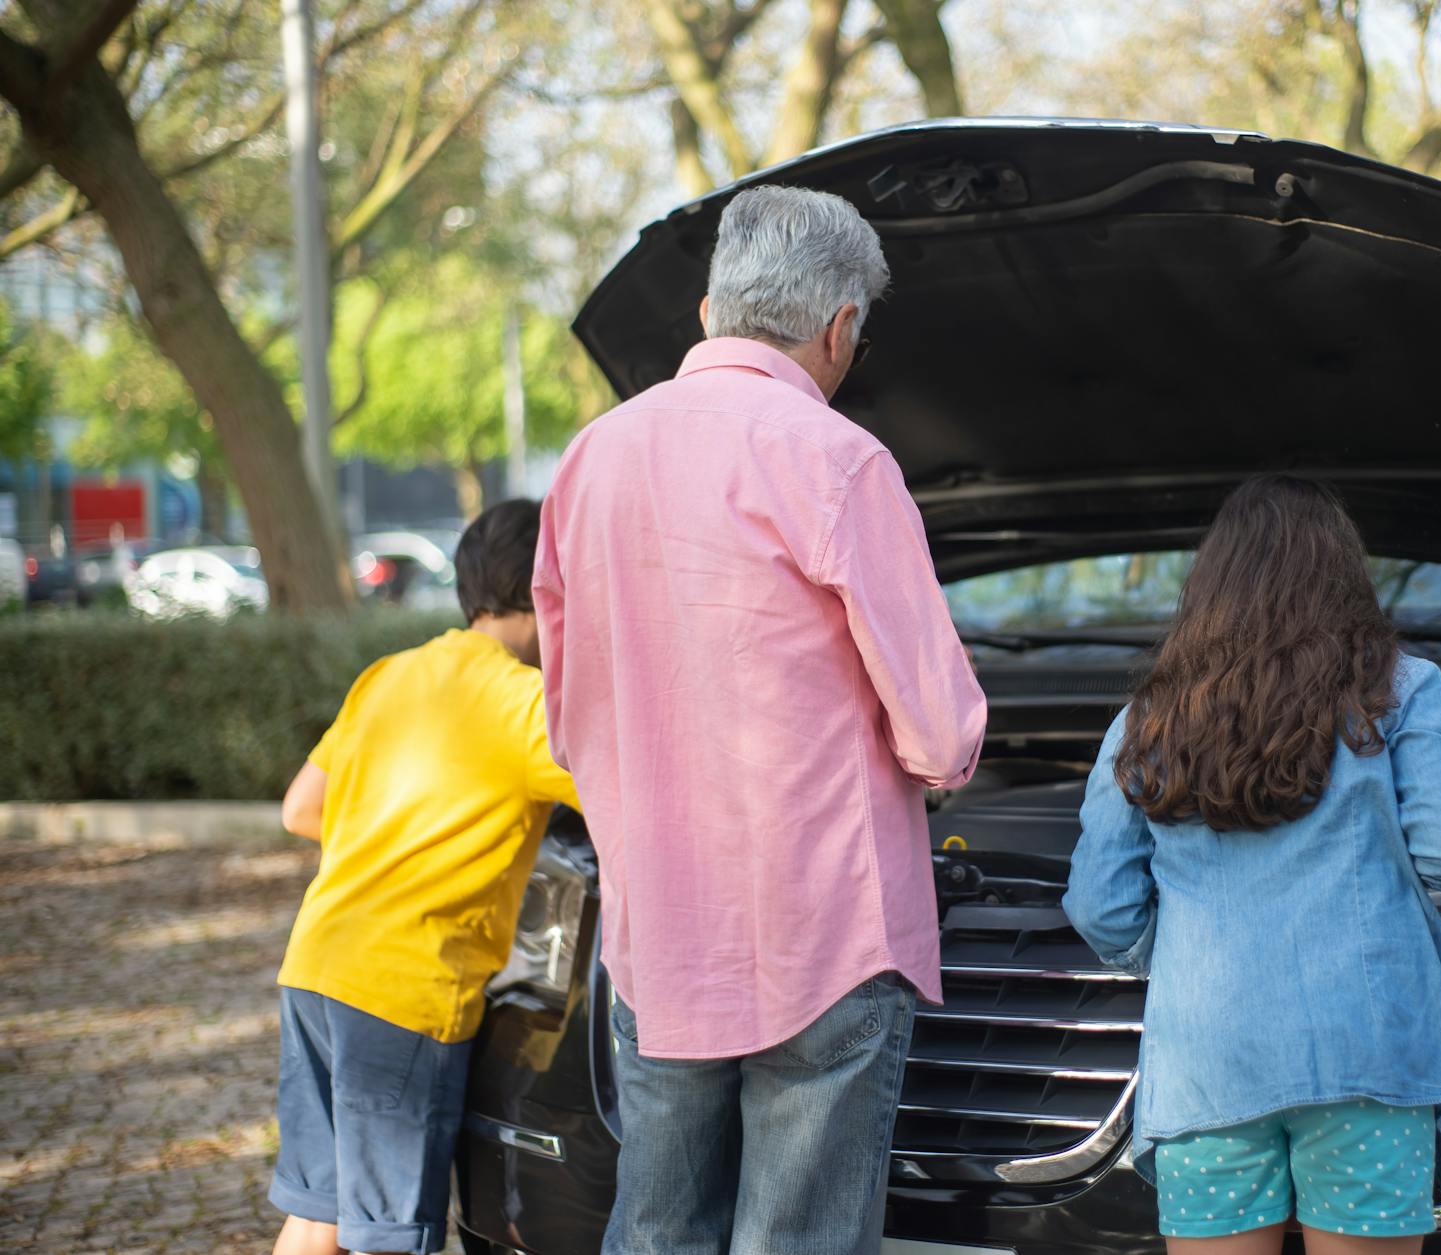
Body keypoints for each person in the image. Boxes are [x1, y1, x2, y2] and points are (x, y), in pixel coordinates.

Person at [535, 184, 987, 1255]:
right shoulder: (836, 460)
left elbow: (563, 713)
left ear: (707, 312)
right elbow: (940, 735)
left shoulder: (590, 458)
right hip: (821, 932)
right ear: (840, 330)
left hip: (657, 923)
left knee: (654, 1228)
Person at [1064, 476, 1441, 1255]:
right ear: (1342, 577)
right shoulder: (1400, 689)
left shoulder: (1148, 718)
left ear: (1209, 587)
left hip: (1210, 1071)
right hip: (1366, 1057)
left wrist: (1178, 957)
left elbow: (1102, 904)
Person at [269, 500, 580, 1255]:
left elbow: (301, 807)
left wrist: (394, 837)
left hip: (315, 966)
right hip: (402, 991)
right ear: (551, 588)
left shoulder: (391, 673)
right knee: (385, 1233)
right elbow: (641, 800)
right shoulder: (528, 707)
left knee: (320, 1210)